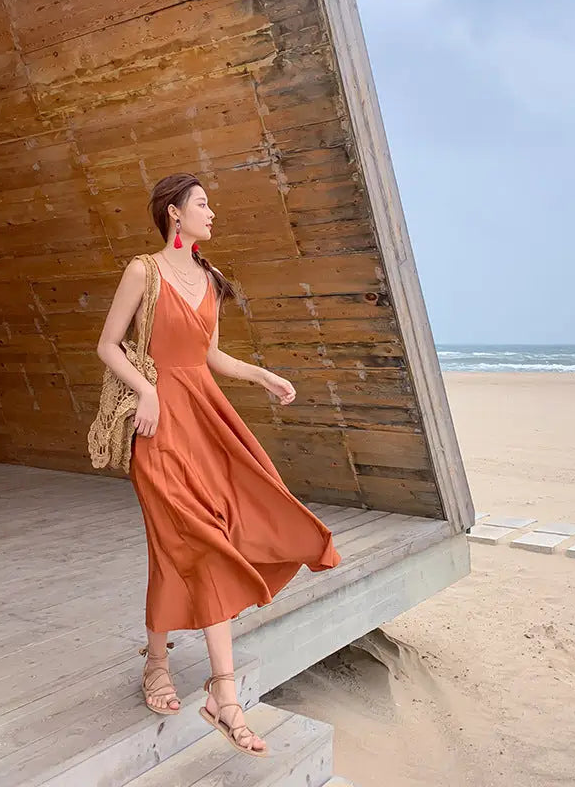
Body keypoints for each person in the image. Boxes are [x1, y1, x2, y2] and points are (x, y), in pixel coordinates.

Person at [96, 173, 341, 757]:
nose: (213, 213)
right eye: (203, 204)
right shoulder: (143, 272)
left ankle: (159, 661)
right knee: (193, 537)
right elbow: (108, 344)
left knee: (203, 534)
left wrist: (261, 374)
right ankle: (225, 695)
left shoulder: (210, 278)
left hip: (206, 419)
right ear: (174, 214)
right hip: (157, 427)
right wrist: (146, 393)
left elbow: (206, 355)